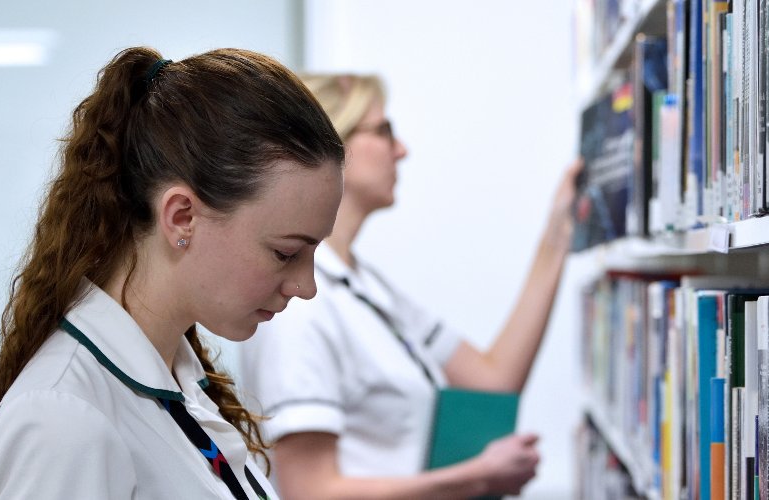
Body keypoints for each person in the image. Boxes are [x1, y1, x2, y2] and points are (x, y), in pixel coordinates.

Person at [0, 46, 346, 499]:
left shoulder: (178, 382)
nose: (306, 286)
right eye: (285, 252)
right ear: (181, 217)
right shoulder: (62, 420)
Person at [241, 74, 581, 498]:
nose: (401, 150)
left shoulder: (366, 287)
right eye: (384, 132)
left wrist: (557, 234)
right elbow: (310, 492)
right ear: (333, 145)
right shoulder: (300, 305)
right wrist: (475, 477)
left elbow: (494, 380)